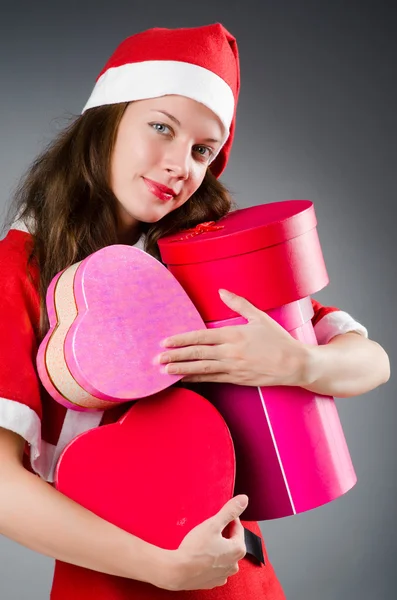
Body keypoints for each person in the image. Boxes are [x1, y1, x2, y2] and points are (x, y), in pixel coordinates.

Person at [0, 23, 390, 600]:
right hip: (114, 584)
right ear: (104, 120)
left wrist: (300, 363)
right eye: (161, 127)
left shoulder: (209, 254)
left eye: (202, 150)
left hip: (244, 580)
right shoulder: (20, 270)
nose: (179, 164)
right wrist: (162, 567)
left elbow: (372, 360)